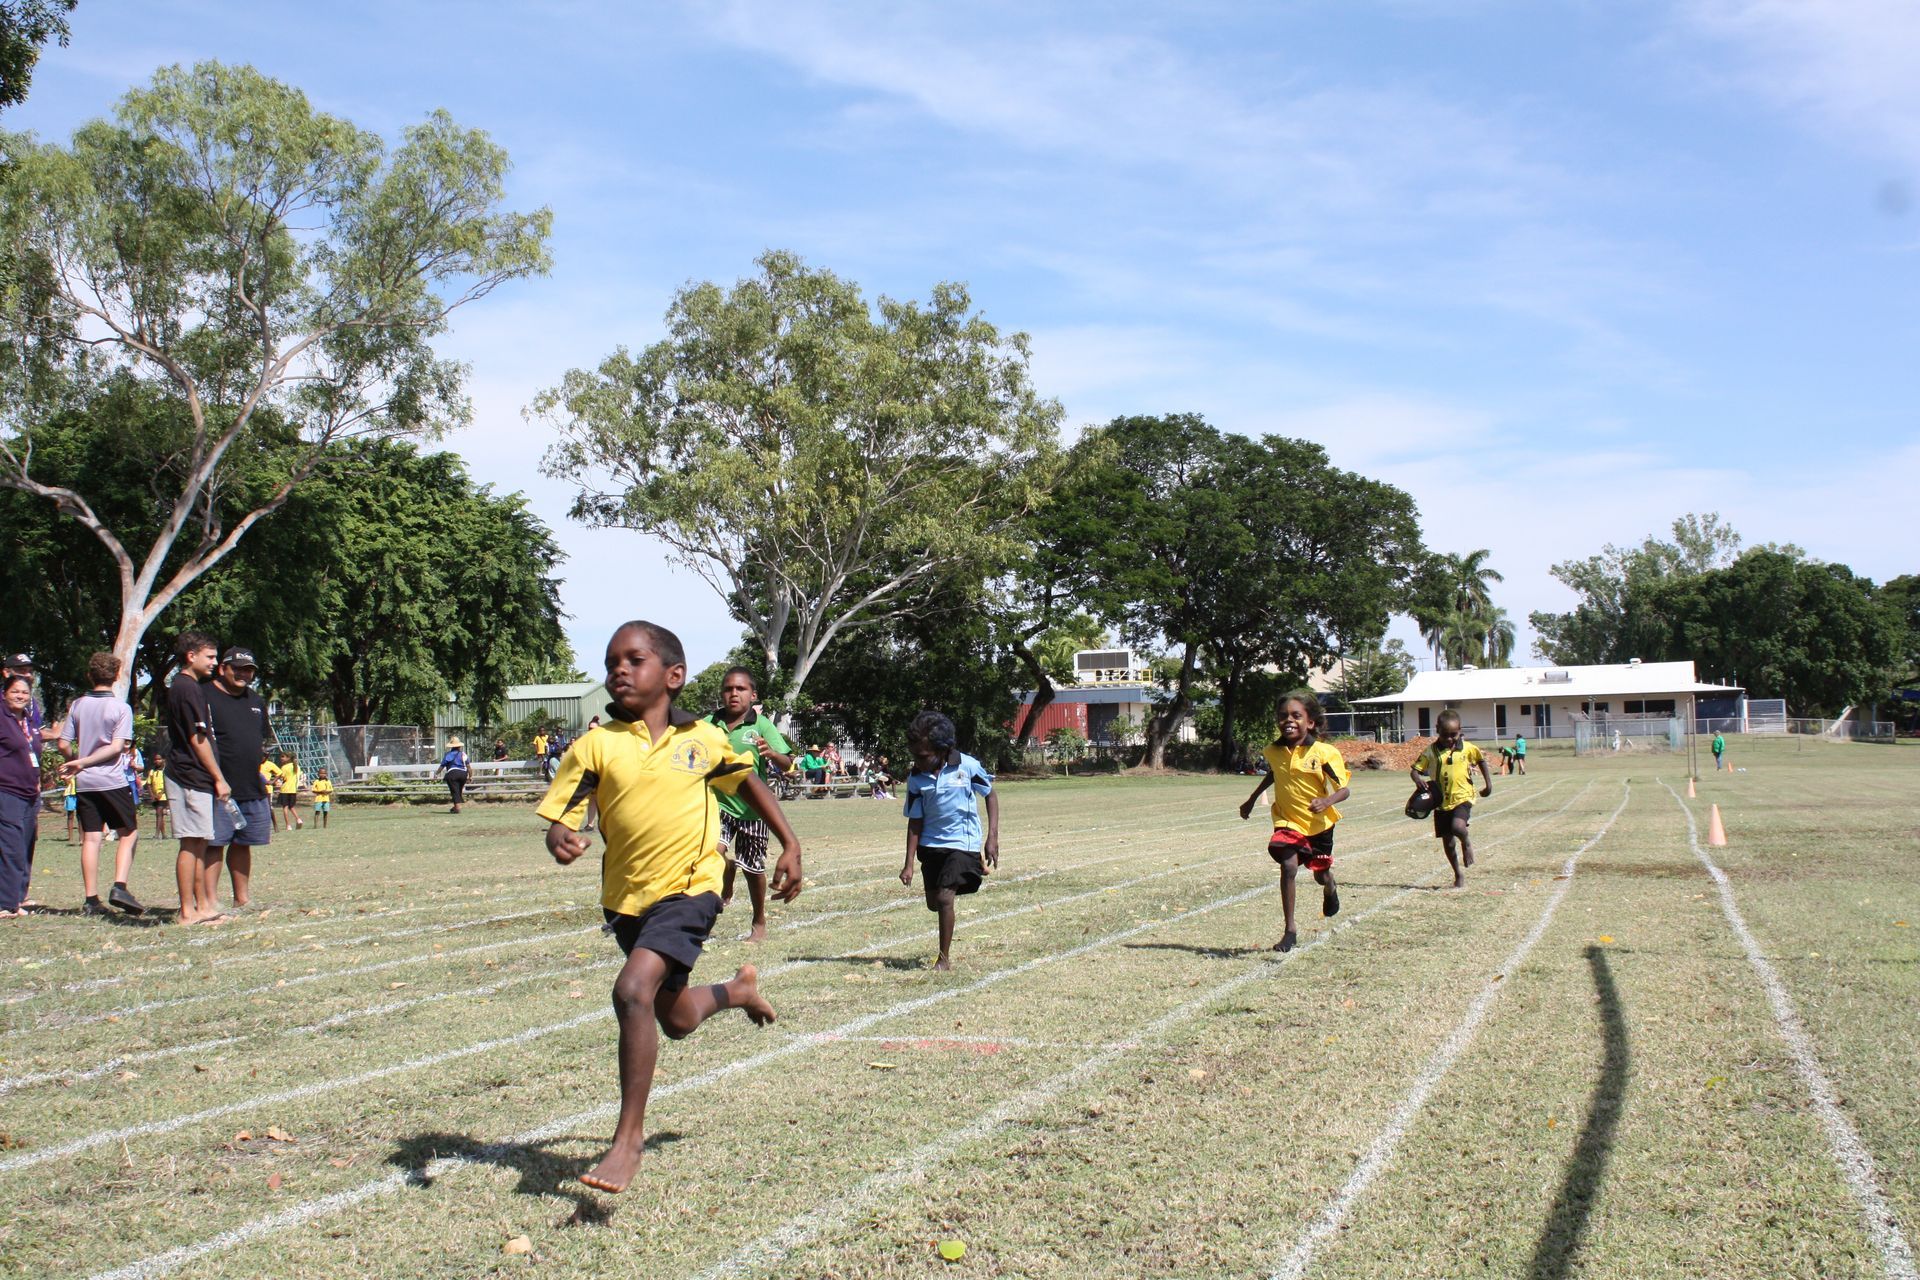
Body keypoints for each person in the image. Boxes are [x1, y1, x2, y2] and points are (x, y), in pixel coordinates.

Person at [537, 619, 802, 1194]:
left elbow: (750, 783)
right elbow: (565, 808)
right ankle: (738, 991)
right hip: (626, 900)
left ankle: (627, 1141)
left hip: (692, 888)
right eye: (612, 663)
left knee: (632, 990)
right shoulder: (596, 744)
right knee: (673, 1017)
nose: (619, 671)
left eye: (634, 660)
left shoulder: (703, 739)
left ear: (674, 676)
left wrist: (791, 843)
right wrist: (559, 833)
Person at [1238, 691, 1351, 953]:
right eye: (1283, 716)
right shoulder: (1274, 751)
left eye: (1295, 715)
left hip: (1319, 824)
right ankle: (1290, 930)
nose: (1288, 720)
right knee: (1288, 865)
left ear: (1310, 722)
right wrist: (1252, 799)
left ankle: (1330, 885)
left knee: (1320, 874)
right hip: (1287, 820)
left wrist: (1327, 801)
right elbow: (1275, 774)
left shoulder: (1324, 753)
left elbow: (1344, 789)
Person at [899, 710, 1000, 971]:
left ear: (943, 749)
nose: (918, 761)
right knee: (934, 903)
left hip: (962, 842)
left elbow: (989, 794)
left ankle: (943, 960)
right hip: (931, 845)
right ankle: (971, 871)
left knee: (945, 899)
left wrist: (992, 837)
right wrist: (908, 863)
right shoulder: (916, 778)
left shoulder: (967, 766)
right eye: (914, 756)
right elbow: (915, 820)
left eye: (923, 756)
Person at [705, 666, 794, 943]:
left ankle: (759, 921)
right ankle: (707, 912)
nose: (734, 694)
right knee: (708, 855)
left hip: (753, 809)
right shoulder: (708, 723)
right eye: (728, 689)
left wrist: (771, 752)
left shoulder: (761, 724)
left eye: (740, 689)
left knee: (754, 868)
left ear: (752, 695)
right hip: (716, 803)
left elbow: (788, 762)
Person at [57, 652, 145, 917]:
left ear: (89, 676)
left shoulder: (78, 705)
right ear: (117, 675)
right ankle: (120, 886)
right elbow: (117, 748)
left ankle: (91, 900)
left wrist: (77, 762)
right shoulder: (120, 708)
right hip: (111, 780)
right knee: (129, 833)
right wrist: (82, 764)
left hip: (85, 784)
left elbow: (62, 744)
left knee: (92, 838)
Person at [165, 632, 231, 926]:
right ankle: (186, 911)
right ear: (191, 656)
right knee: (191, 843)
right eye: (210, 657)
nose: (214, 663)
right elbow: (197, 737)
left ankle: (203, 906)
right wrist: (219, 777)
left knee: (201, 842)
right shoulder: (186, 688)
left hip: (198, 776)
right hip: (189, 775)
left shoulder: (191, 687)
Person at [205, 648, 274, 909]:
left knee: (243, 843)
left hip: (250, 784)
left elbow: (259, 738)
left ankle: (241, 899)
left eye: (249, 670)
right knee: (215, 844)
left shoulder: (255, 700)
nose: (244, 674)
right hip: (218, 786)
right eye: (238, 668)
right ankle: (209, 901)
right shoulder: (205, 696)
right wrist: (215, 778)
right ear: (223, 668)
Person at [1412, 710, 1493, 889]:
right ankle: (1457, 873)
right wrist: (1418, 780)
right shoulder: (1431, 752)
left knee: (1457, 827)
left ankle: (1466, 842)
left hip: (1462, 797)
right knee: (1448, 842)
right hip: (1441, 802)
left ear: (1460, 731)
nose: (1449, 739)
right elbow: (1415, 770)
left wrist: (1488, 785)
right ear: (1437, 730)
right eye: (1445, 735)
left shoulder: (1468, 748)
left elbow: (1481, 761)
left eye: (1453, 735)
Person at [1, 673, 41, 918]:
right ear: (5, 693)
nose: (20, 696)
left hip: (30, 792)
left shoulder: (28, 720)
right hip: (7, 791)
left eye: (25, 692)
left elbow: (32, 751)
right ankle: (5, 904)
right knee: (11, 846)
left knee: (26, 846)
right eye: (15, 691)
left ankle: (16, 899)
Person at [436, 737, 470, 813]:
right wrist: (470, 776)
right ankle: (455, 807)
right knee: (458, 791)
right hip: (463, 774)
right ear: (459, 746)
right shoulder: (463, 754)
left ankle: (457, 807)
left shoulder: (448, 754)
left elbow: (442, 766)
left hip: (452, 774)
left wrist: (436, 774)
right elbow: (469, 767)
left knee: (454, 791)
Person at [276, 751, 304, 830]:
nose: (281, 758)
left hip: (285, 790)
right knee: (291, 806)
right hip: (293, 790)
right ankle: (298, 819)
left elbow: (282, 777)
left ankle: (288, 825)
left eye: (283, 756)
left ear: (288, 758)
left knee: (285, 807)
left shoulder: (284, 767)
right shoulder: (297, 766)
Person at [147, 758, 170, 839]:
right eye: (156, 759)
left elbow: (167, 783)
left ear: (163, 760)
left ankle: (156, 834)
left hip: (163, 796)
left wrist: (161, 793)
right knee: (160, 815)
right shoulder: (152, 771)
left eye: (159, 759)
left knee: (158, 813)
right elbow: (149, 784)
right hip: (155, 797)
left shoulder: (165, 772)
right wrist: (152, 795)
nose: (157, 761)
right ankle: (164, 834)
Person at [259, 756, 283, 831]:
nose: (263, 758)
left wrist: (273, 781)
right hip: (256, 788)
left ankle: (275, 825)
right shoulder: (255, 763)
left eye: (265, 756)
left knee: (268, 807)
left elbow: (279, 773)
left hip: (267, 789)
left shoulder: (270, 764)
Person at [62, 774, 78, 843]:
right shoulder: (69, 771)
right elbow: (65, 779)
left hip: (80, 793)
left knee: (81, 816)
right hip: (70, 794)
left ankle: (82, 838)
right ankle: (70, 837)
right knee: (70, 816)